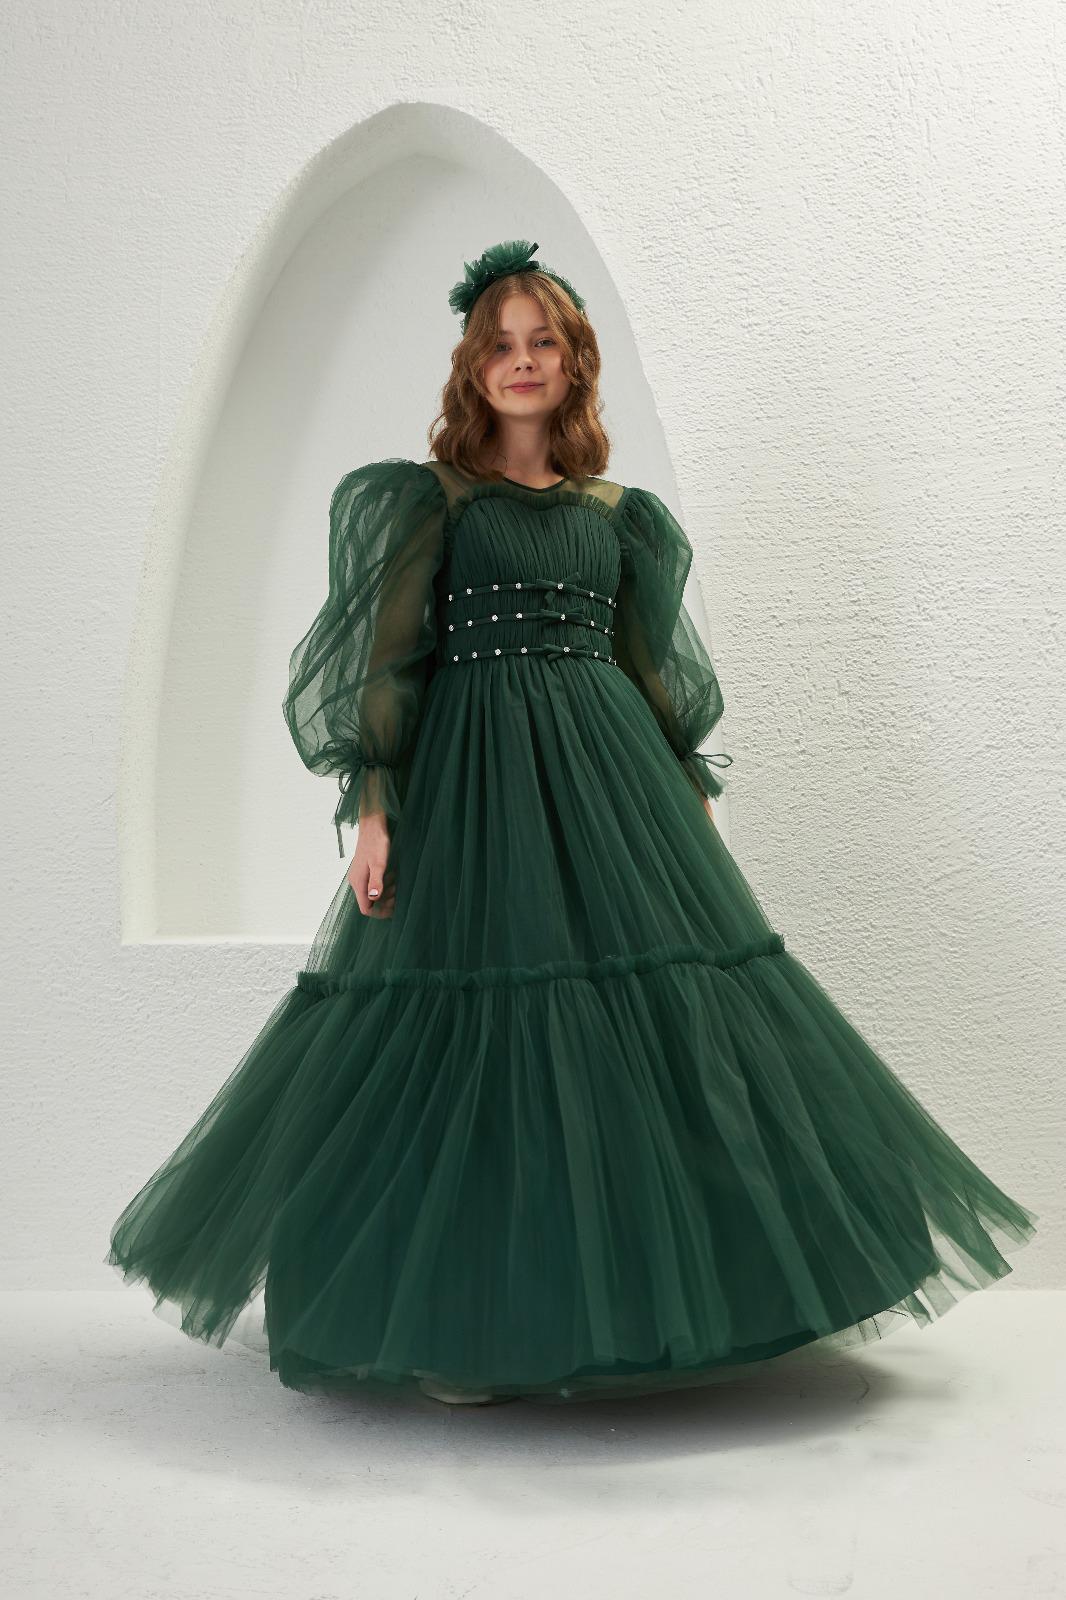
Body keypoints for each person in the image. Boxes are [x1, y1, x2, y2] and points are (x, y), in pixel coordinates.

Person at [107, 239, 1037, 1408]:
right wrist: (375, 807)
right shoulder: (432, 502)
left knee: (661, 1027)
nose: (521, 360)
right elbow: (389, 664)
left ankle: (654, 1307)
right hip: (475, 784)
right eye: (499, 344)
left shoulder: (620, 515)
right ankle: (469, 1323)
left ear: (574, 361)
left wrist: (686, 794)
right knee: (476, 1029)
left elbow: (649, 669)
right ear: (472, 367)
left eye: (542, 341)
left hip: (614, 783)